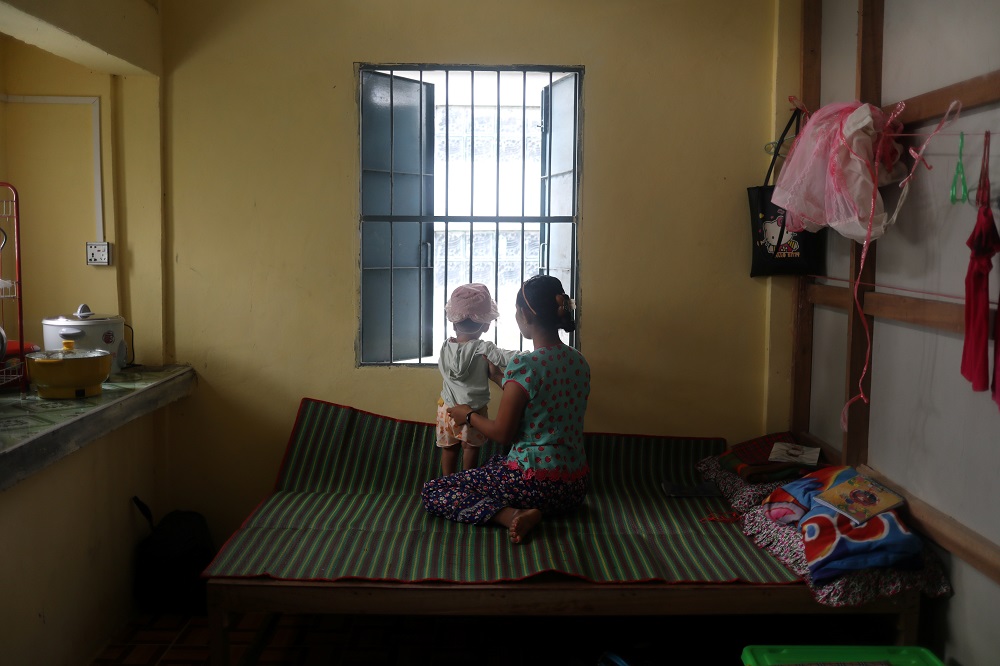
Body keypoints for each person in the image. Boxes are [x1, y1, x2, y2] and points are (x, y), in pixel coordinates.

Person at [422, 275, 590, 544]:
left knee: (436, 489)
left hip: (532, 483)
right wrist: (499, 379)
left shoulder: (525, 366)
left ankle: (511, 515)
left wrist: (468, 415)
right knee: (493, 465)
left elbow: (501, 434)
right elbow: (537, 398)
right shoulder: (579, 362)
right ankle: (534, 509)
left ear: (524, 314)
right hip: (574, 487)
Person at [436, 283, 519, 476]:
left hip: (446, 408)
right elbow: (504, 358)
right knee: (470, 447)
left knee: (449, 448)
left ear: (454, 323)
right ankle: (468, 483)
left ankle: (448, 484)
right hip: (474, 411)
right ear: (487, 325)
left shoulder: (445, 347)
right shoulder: (483, 348)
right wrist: (528, 356)